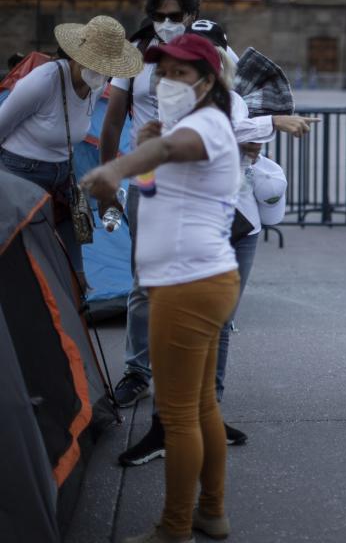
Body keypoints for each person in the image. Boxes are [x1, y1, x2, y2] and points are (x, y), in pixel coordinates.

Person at [118, 20, 314, 465]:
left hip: (238, 227)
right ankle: (165, 426)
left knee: (219, 325)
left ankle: (208, 415)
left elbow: (234, 128)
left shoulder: (234, 102)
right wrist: (271, 123)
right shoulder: (175, 109)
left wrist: (260, 127)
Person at [82, 34, 241, 543]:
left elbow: (173, 150)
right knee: (199, 409)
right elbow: (156, 189)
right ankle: (210, 513)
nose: (168, 80)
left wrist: (115, 166)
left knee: (176, 417)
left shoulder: (208, 123)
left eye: (180, 72)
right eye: (162, 72)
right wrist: (142, 157)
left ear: (208, 80)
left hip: (186, 284)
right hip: (198, 279)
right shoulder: (181, 125)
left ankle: (173, 529)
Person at [101, 0, 201, 411]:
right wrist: (108, 178)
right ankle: (137, 371)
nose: (165, 23)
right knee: (144, 283)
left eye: (174, 16)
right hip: (149, 182)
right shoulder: (135, 56)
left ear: (191, 15)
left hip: (196, 183)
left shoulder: (208, 54)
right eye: (158, 16)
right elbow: (111, 121)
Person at [0, 15, 143, 291]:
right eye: (95, 64)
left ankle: (75, 300)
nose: (100, 72)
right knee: (26, 249)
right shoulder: (43, 81)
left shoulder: (97, 83)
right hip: (21, 171)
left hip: (63, 171)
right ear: (77, 56)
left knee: (78, 242)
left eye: (106, 67)